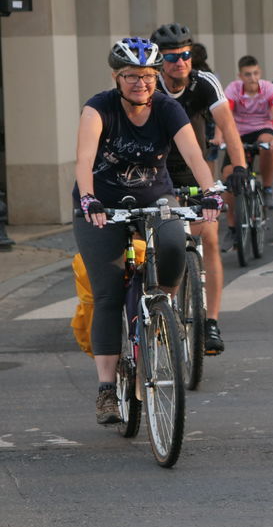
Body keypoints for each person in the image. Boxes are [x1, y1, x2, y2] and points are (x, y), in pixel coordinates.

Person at [73, 38, 222, 425]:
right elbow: (85, 159)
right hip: (101, 206)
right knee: (106, 292)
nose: (141, 83)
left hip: (154, 198)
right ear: (116, 78)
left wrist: (210, 192)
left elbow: (193, 153)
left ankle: (159, 314)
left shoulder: (168, 108)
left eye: (148, 76)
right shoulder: (98, 108)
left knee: (174, 245)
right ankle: (107, 388)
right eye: (131, 76)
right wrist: (88, 200)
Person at [151, 23, 246, 356]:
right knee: (166, 240)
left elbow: (228, 127)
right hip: (158, 171)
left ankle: (211, 322)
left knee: (209, 237)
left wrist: (240, 168)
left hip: (195, 168)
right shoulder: (150, 85)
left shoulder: (204, 82)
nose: (181, 63)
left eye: (186, 55)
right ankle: (165, 309)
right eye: (172, 57)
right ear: (159, 60)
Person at [225, 55, 273, 208]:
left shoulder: (270, 88)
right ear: (240, 76)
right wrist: (219, 138)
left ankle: (267, 189)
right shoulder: (233, 88)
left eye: (255, 73)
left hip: (262, 128)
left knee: (267, 144)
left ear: (260, 72)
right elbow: (225, 117)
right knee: (227, 172)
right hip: (239, 132)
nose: (253, 78)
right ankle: (234, 225)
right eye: (248, 74)